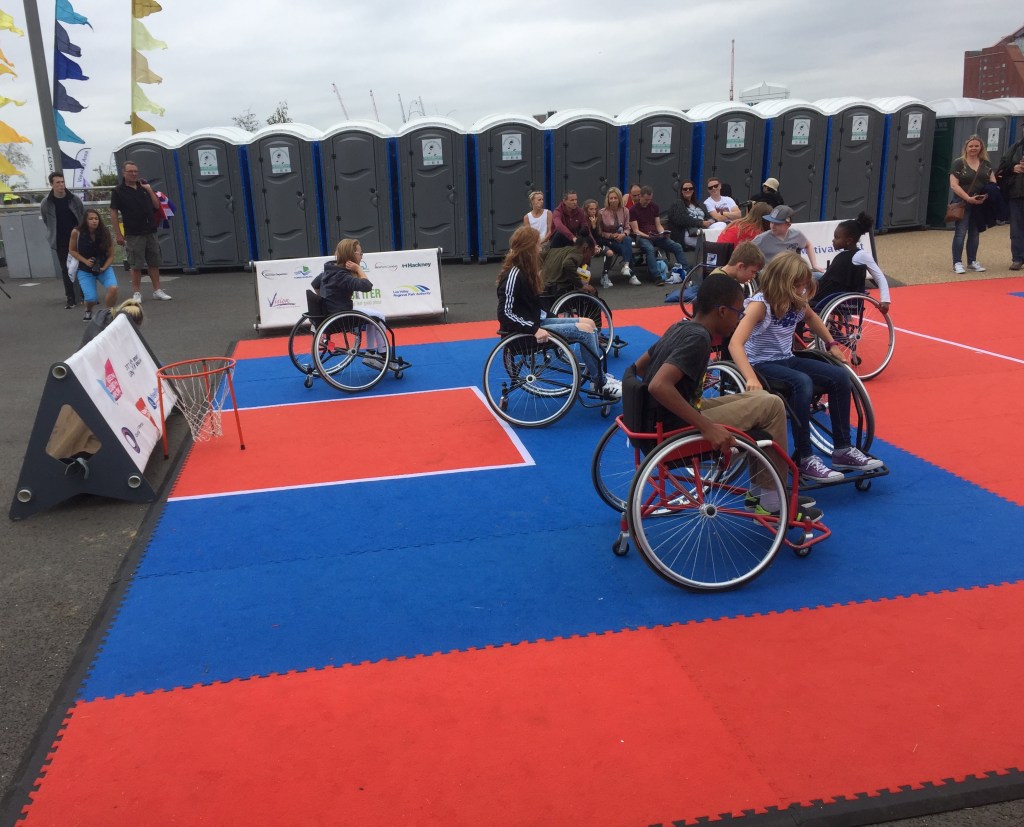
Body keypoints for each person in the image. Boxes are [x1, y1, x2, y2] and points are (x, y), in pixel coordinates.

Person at [630, 273, 818, 519]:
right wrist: (707, 427)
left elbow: (639, 367)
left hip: (658, 420)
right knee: (772, 406)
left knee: (762, 399)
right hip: (677, 428)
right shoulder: (699, 339)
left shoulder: (680, 327)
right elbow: (659, 386)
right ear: (721, 311)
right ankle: (771, 500)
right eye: (738, 312)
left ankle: (761, 493)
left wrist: (688, 378)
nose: (739, 319)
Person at [728, 252, 885, 483]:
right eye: (799, 285)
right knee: (802, 382)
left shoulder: (796, 301)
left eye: (803, 285)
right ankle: (805, 458)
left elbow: (813, 318)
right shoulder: (760, 305)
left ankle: (842, 449)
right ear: (784, 282)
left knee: (840, 376)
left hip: (786, 358)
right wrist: (750, 377)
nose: (803, 290)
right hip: (760, 363)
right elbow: (735, 343)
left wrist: (831, 344)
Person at [498, 224, 620, 400]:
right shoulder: (513, 275)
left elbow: (532, 307)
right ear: (529, 248)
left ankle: (597, 377)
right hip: (524, 333)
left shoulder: (526, 271)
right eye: (537, 245)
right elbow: (505, 314)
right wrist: (534, 330)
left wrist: (553, 319)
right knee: (584, 332)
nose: (541, 248)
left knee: (590, 323)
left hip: (536, 322)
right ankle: (599, 383)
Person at [311, 238, 391, 366]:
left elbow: (315, 284)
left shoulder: (329, 270)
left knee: (373, 317)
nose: (361, 257)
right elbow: (367, 286)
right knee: (379, 317)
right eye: (360, 254)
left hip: (330, 314)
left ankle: (370, 352)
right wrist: (359, 269)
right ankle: (383, 354)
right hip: (341, 317)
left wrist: (325, 301)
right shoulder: (342, 275)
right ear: (352, 255)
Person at [109, 161, 172, 302]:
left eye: (136, 171)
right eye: (130, 171)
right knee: (135, 264)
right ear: (124, 173)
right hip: (133, 232)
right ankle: (137, 293)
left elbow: (156, 206)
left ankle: (157, 290)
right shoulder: (118, 191)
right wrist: (118, 233)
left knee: (154, 262)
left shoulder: (143, 188)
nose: (134, 174)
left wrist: (149, 190)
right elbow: (113, 212)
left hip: (150, 230)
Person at [815, 213, 891, 314]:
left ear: (849, 241)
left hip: (833, 294)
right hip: (830, 289)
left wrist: (885, 300)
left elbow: (879, 277)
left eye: (836, 238)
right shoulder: (843, 255)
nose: (833, 240)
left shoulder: (861, 255)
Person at [948, 134, 996, 275]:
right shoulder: (959, 163)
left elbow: (992, 182)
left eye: (976, 145)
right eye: (971, 146)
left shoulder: (986, 164)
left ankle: (972, 261)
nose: (973, 148)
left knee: (975, 233)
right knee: (960, 233)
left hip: (979, 203)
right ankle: (957, 262)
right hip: (962, 203)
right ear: (966, 148)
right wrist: (968, 198)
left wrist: (985, 196)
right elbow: (954, 185)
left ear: (981, 147)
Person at [39, 171, 85, 309]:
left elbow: (82, 215)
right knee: (66, 269)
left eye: (62, 181)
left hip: (77, 238)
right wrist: (53, 234)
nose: (61, 185)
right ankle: (70, 297)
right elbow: (47, 221)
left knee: (82, 267)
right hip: (60, 240)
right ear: (51, 184)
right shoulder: (46, 203)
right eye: (58, 182)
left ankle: (86, 295)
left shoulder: (74, 199)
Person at [69, 209, 118, 323]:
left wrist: (105, 267)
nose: (94, 221)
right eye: (90, 219)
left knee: (113, 288)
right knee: (91, 299)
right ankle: (88, 309)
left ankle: (108, 312)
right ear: (85, 221)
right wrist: (85, 261)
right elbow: (72, 250)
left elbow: (111, 255)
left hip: (103, 267)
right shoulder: (77, 232)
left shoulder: (105, 232)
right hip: (85, 269)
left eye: (96, 219)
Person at [629, 185, 685, 285]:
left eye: (650, 199)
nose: (648, 202)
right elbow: (636, 230)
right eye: (646, 199)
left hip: (655, 235)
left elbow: (658, 224)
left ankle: (687, 270)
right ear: (640, 197)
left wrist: (662, 233)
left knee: (677, 246)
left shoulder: (654, 207)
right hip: (642, 237)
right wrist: (647, 236)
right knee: (649, 249)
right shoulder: (633, 210)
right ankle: (656, 276)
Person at [751, 205, 823, 272]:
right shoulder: (761, 239)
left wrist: (814, 265)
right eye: (771, 222)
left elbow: (808, 245)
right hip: (771, 276)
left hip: (792, 273)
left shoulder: (796, 234)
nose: (773, 226)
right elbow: (747, 252)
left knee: (819, 276)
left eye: (777, 223)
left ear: (788, 224)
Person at [996, 123, 1024, 271]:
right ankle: (1018, 258)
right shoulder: (1015, 147)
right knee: (1017, 228)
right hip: (1016, 192)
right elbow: (1002, 166)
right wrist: (1013, 167)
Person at [597, 187, 636, 287]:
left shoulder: (625, 210)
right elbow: (600, 232)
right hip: (607, 239)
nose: (613, 200)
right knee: (626, 248)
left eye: (615, 198)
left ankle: (626, 265)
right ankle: (631, 274)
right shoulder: (602, 212)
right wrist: (611, 235)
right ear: (608, 199)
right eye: (611, 198)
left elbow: (627, 228)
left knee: (628, 239)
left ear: (619, 199)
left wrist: (623, 234)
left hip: (621, 237)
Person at [665, 180, 713, 257]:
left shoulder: (699, 203)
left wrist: (711, 221)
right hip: (688, 233)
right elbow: (682, 220)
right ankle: (708, 265)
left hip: (703, 231)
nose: (688, 190)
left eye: (690, 188)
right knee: (711, 245)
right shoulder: (678, 203)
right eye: (685, 189)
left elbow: (708, 216)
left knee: (720, 227)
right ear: (681, 191)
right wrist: (701, 222)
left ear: (693, 190)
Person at [542, 232, 595, 296]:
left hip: (544, 287)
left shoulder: (561, 250)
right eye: (591, 254)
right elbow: (567, 263)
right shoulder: (578, 254)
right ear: (585, 248)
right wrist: (580, 284)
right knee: (592, 292)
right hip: (557, 289)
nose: (589, 259)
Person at [583, 198, 615, 274]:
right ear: (586, 210)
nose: (593, 211)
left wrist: (594, 226)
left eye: (595, 209)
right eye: (591, 209)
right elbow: (587, 234)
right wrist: (594, 245)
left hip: (597, 243)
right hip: (586, 244)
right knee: (587, 254)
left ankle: (605, 275)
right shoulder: (583, 218)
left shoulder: (598, 217)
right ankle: (586, 277)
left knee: (610, 253)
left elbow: (598, 235)